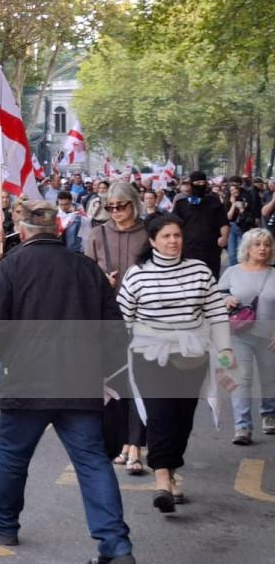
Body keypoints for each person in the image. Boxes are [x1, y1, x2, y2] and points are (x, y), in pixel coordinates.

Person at [0, 201, 134, 564]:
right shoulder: (87, 269)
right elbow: (115, 330)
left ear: (23, 231)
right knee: (92, 462)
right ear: (58, 231)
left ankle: (2, 522)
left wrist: (12, 357)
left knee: (13, 456)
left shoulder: (10, 266)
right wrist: (101, 370)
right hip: (81, 379)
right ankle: (116, 546)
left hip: (27, 378)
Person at [117, 213, 235, 513]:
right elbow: (123, 319)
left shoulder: (200, 271)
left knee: (182, 420)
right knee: (159, 416)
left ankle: (171, 471)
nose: (173, 241)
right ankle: (162, 480)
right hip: (149, 356)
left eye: (177, 235)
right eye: (166, 236)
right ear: (153, 241)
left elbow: (216, 313)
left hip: (192, 357)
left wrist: (224, 349)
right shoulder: (137, 275)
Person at [83, 183, 149, 473]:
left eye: (121, 205)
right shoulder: (97, 235)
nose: (115, 211)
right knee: (117, 384)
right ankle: (122, 441)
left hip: (144, 318)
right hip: (109, 318)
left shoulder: (149, 234)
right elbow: (85, 274)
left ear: (134, 204)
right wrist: (102, 283)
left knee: (140, 383)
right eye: (110, 206)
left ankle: (136, 446)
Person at [219, 228, 275, 444]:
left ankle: (269, 414)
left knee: (270, 377)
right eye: (257, 244)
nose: (263, 249)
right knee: (241, 379)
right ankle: (242, 427)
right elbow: (217, 295)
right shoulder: (233, 272)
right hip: (239, 334)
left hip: (269, 336)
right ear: (247, 248)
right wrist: (226, 299)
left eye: (267, 245)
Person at [172, 170, 229, 279]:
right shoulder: (181, 204)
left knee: (211, 277)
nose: (200, 185)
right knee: (190, 277)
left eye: (202, 183)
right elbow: (174, 225)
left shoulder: (214, 202)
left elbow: (223, 221)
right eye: (196, 183)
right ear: (191, 184)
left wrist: (224, 237)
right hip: (189, 248)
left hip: (211, 248)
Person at [226, 183, 252, 267]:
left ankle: (242, 269)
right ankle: (233, 270)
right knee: (231, 253)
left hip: (242, 227)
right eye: (231, 190)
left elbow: (244, 215)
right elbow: (229, 217)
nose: (234, 191)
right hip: (231, 227)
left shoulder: (245, 199)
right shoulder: (227, 201)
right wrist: (233, 204)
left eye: (235, 189)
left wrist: (241, 208)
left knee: (241, 252)